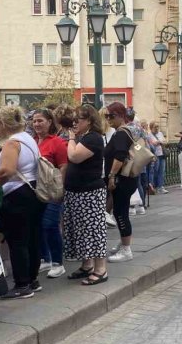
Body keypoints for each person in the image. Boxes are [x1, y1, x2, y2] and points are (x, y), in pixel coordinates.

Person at [0, 106, 46, 298]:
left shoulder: (13, 143)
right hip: (33, 191)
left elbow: (6, 171)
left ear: (3, 123)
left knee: (17, 240)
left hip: (17, 194)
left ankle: (22, 284)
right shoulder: (28, 138)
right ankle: (32, 279)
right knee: (32, 238)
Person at [62, 104, 108, 284]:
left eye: (78, 119)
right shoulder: (85, 137)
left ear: (89, 120)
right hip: (77, 192)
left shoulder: (94, 138)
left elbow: (74, 157)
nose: (74, 123)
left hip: (89, 193)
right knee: (81, 230)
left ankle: (101, 269)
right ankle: (87, 265)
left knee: (93, 229)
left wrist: (71, 139)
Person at [33, 108, 68, 279]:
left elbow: (63, 166)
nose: (37, 124)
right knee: (39, 225)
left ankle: (57, 262)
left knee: (50, 224)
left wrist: (59, 188)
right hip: (36, 191)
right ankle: (45, 258)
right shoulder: (31, 142)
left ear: (49, 122)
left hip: (52, 190)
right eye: (34, 121)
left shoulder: (57, 142)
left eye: (40, 120)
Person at [103, 102, 138, 263]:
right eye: (107, 116)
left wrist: (111, 175)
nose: (108, 119)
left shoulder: (120, 134)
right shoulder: (127, 131)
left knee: (120, 213)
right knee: (120, 212)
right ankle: (124, 242)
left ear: (120, 115)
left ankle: (126, 249)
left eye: (111, 116)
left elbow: (120, 156)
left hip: (121, 180)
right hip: (128, 179)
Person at [149, 122, 168, 193]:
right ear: (151, 128)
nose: (157, 128)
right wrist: (159, 142)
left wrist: (159, 142)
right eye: (155, 127)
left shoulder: (160, 134)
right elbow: (152, 144)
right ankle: (154, 187)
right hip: (155, 155)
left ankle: (160, 187)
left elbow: (165, 142)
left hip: (162, 154)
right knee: (155, 171)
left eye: (158, 126)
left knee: (162, 171)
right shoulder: (149, 135)